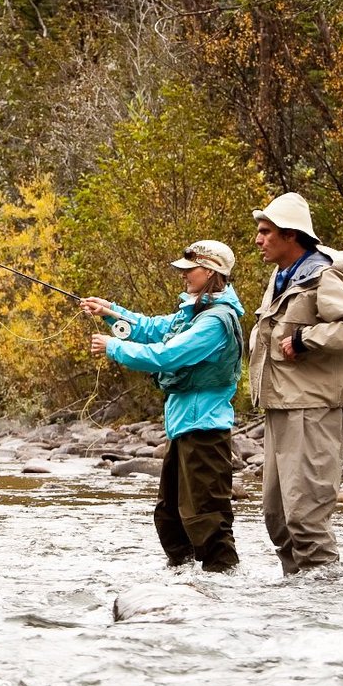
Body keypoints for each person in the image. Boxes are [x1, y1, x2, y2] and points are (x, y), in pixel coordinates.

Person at [82, 240, 244, 573]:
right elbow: (151, 328)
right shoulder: (195, 312)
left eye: (190, 270)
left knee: (207, 518)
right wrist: (110, 312)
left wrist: (114, 348)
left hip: (205, 431)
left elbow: (167, 355)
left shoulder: (215, 322)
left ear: (211, 272)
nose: (183, 275)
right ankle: (182, 584)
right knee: (170, 517)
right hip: (184, 427)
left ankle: (227, 589)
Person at [249, 192, 343, 575]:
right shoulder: (282, 276)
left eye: (266, 231)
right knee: (278, 520)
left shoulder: (321, 277)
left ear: (291, 236)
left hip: (311, 411)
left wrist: (307, 339)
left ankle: (326, 612)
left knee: (306, 521)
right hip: (281, 407)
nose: (258, 239)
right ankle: (298, 608)